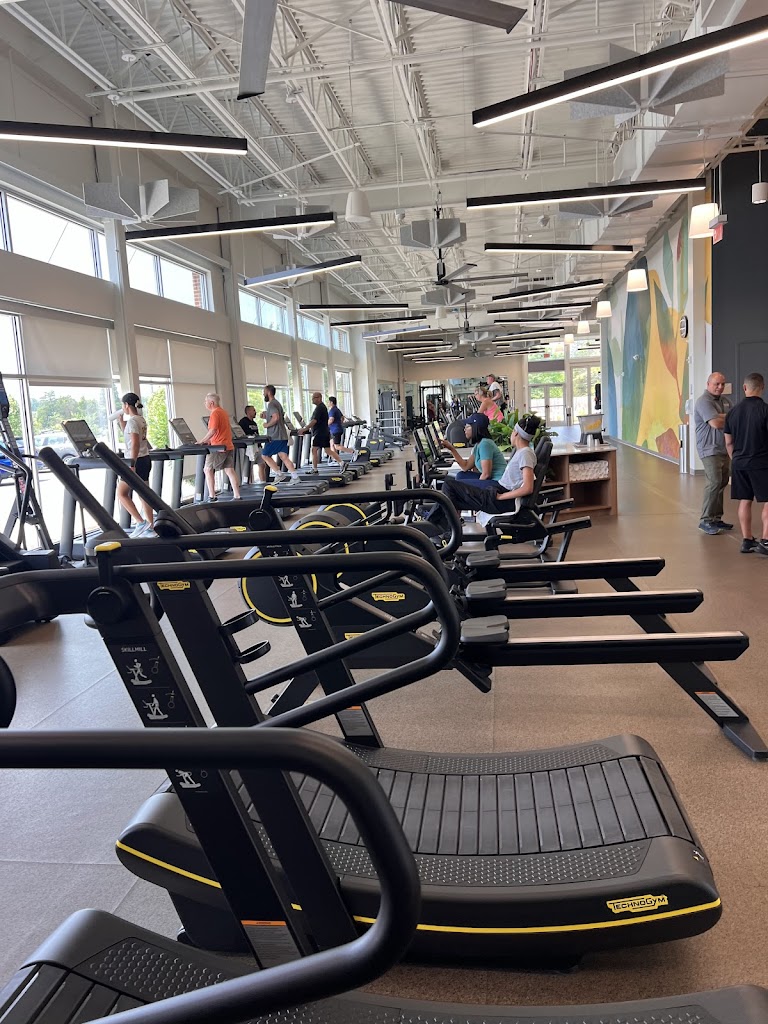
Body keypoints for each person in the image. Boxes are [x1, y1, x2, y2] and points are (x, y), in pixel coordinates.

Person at [427, 413, 541, 531]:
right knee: (453, 492)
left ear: (515, 433)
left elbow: (528, 488)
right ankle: (440, 526)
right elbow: (465, 467)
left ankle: (437, 527)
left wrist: (501, 496)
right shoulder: (522, 452)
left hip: (501, 498)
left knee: (449, 486)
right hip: (497, 492)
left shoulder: (525, 454)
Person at [723, 372, 768, 555]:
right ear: (762, 387)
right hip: (761, 463)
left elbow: (728, 442)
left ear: (744, 388)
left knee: (745, 500)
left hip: (739, 463)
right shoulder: (765, 410)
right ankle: (766, 541)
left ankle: (747, 541)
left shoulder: (732, 412)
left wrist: (736, 460)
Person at [694, 372, 733, 535]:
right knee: (714, 482)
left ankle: (716, 518)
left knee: (722, 482)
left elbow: (735, 419)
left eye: (722, 384)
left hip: (723, 448)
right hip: (709, 449)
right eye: (717, 384)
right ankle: (706, 520)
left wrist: (723, 416)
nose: (720, 387)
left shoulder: (726, 401)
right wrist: (725, 417)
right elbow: (716, 423)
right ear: (708, 384)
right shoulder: (703, 401)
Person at [115, 392, 155, 537]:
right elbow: (131, 436)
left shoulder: (132, 421)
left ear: (126, 405)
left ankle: (140, 522)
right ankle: (150, 527)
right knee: (144, 494)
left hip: (136, 461)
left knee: (121, 493)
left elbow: (135, 443)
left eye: (123, 405)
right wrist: (121, 423)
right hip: (145, 459)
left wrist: (132, 463)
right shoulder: (140, 419)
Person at [438, 412, 505, 489]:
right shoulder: (479, 445)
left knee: (451, 485)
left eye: (467, 426)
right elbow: (465, 466)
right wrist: (452, 449)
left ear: (475, 428)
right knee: (461, 476)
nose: (464, 429)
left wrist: (473, 490)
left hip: (497, 483)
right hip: (491, 480)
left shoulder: (485, 444)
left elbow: (486, 475)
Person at [199, 393, 241, 501]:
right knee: (229, 470)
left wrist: (202, 441)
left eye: (206, 401)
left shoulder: (215, 413)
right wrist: (208, 440)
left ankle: (212, 496)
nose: (205, 403)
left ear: (211, 403)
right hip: (228, 445)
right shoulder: (223, 412)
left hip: (218, 447)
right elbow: (220, 431)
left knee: (207, 469)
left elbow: (212, 430)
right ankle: (237, 495)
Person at [258, 385, 301, 484]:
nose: (263, 394)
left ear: (269, 392)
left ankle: (279, 474)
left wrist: (267, 425)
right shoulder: (277, 403)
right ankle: (295, 477)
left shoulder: (271, 404)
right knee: (283, 456)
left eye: (264, 392)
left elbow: (276, 417)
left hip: (275, 436)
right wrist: (266, 416)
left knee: (265, 455)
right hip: (282, 435)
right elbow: (276, 416)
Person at [299, 391, 345, 474]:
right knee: (328, 450)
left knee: (314, 449)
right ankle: (342, 463)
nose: (312, 400)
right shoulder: (321, 407)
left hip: (320, 433)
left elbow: (314, 420)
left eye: (314, 398)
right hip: (324, 432)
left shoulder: (320, 408)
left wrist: (305, 428)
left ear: (319, 398)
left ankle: (315, 469)